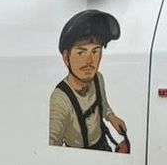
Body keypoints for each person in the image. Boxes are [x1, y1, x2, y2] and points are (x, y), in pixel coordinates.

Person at [48, 9, 128, 151]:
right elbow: (53, 145)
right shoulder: (60, 99)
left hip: (103, 146)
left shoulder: (98, 79)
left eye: (95, 51)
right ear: (66, 58)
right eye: (81, 52)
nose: (90, 60)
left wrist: (112, 118)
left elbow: (103, 105)